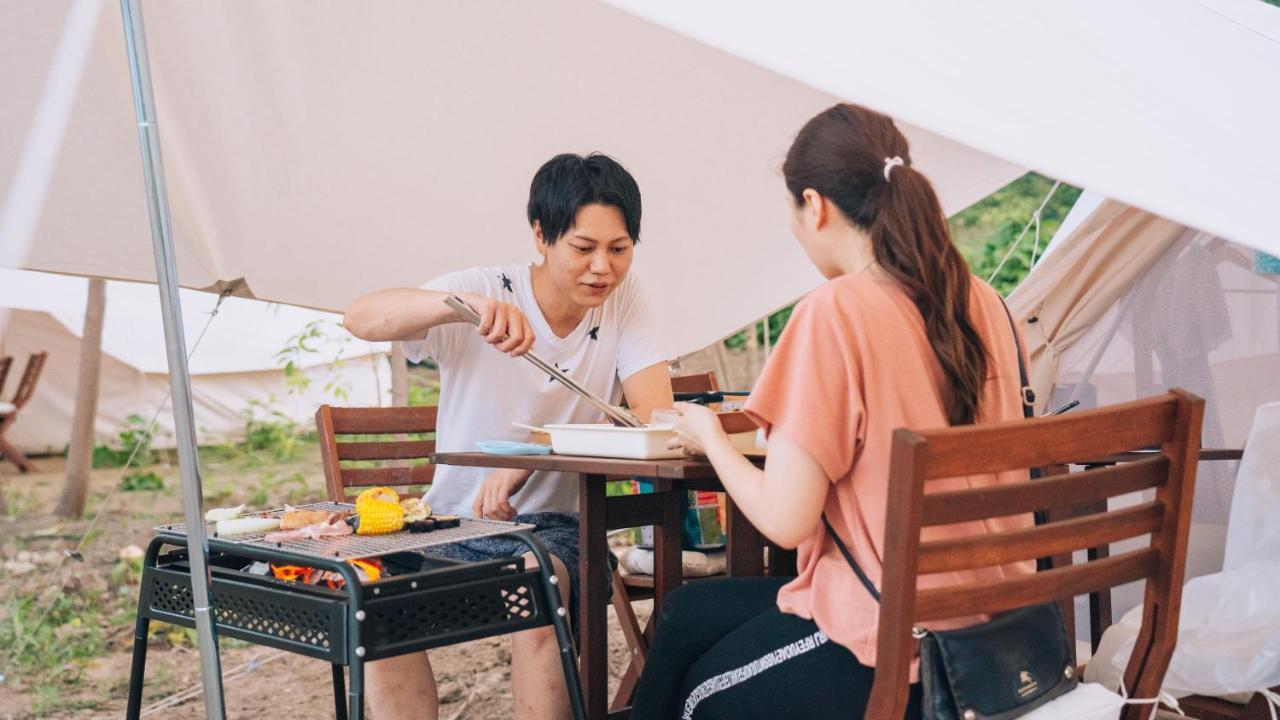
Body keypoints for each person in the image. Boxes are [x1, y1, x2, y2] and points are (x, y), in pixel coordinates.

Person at [629, 103, 1034, 719]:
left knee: (697, 698)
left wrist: (710, 434)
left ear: (813, 204)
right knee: (687, 614)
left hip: (899, 640)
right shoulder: (989, 303)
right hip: (998, 626)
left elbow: (787, 522)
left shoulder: (835, 311)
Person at [343, 152, 673, 720]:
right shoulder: (483, 290)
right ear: (541, 235)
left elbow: (654, 414)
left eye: (618, 249)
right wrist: (461, 308)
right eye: (583, 247)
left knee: (537, 577)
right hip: (449, 522)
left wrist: (540, 450)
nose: (602, 268)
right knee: (370, 590)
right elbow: (361, 317)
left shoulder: (625, 299)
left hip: (561, 526)